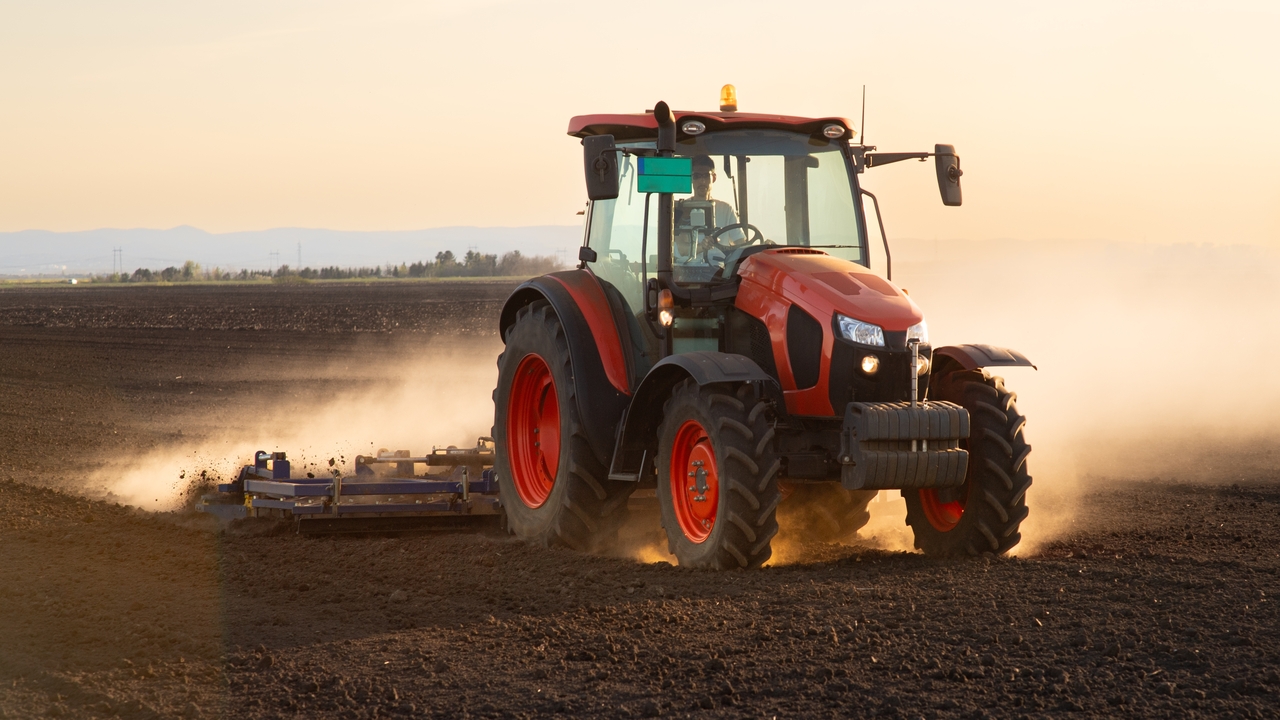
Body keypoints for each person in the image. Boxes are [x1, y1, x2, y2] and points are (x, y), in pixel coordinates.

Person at [674, 156, 743, 262]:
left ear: (714, 178)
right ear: (691, 178)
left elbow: (740, 243)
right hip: (687, 270)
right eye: (697, 176)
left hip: (719, 271)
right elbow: (681, 248)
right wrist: (702, 246)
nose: (702, 181)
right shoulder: (682, 209)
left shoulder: (726, 210)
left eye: (706, 176)